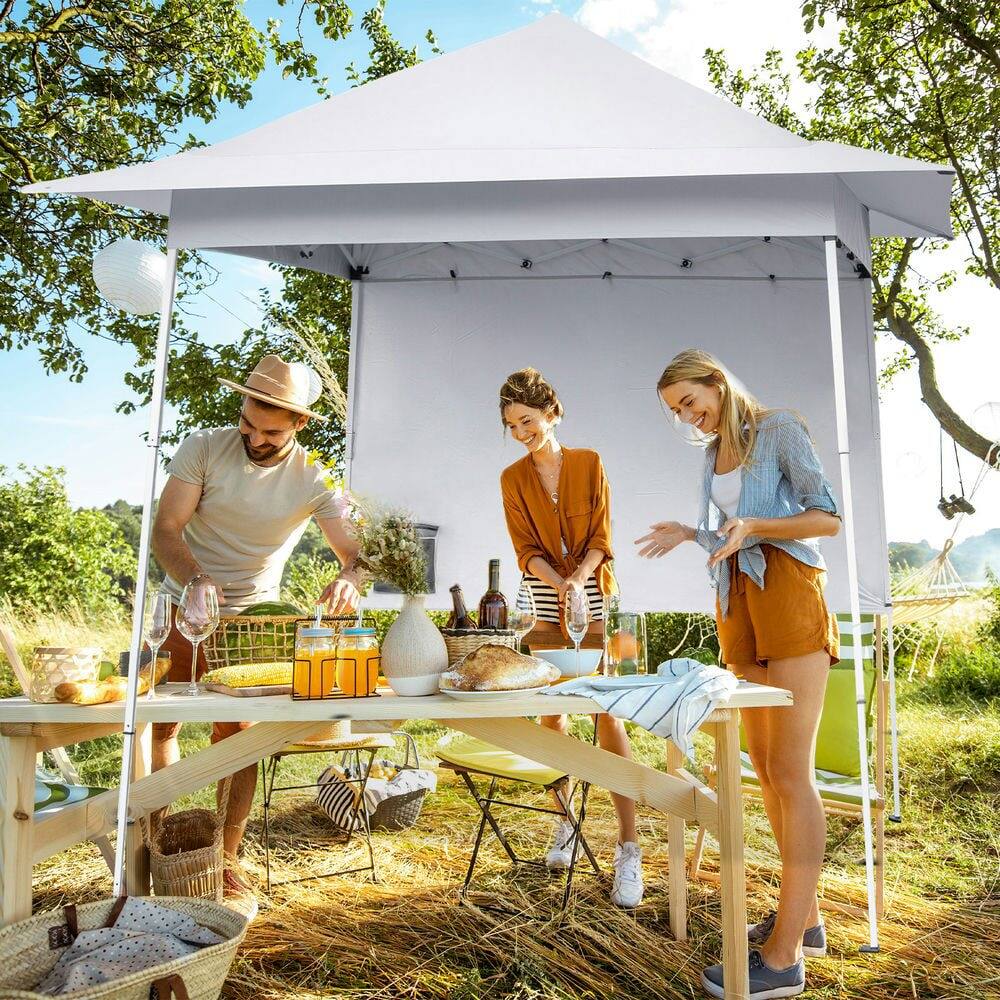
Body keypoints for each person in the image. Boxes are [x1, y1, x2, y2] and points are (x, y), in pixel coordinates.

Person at [635, 349, 841, 999]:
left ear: (717, 384)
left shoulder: (778, 429)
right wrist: (691, 534)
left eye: (691, 402)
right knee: (764, 767)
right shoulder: (709, 455)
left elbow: (825, 517)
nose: (688, 418)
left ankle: (783, 963)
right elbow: (729, 536)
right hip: (737, 603)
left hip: (788, 591)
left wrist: (752, 524)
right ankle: (803, 920)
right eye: (677, 412)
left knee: (791, 771)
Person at [152, 354, 363, 894]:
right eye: (248, 423)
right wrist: (197, 579)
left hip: (251, 621)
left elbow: (355, 554)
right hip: (183, 603)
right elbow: (167, 529)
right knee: (159, 723)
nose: (255, 437)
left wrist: (350, 578)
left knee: (237, 737)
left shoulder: (316, 475)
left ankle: (224, 860)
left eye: (271, 431)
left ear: (300, 424)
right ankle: (151, 846)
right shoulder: (203, 446)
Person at [498, 367, 644, 909]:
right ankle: (565, 823)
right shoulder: (512, 479)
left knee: (605, 711)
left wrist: (580, 582)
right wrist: (559, 586)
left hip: (597, 591)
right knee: (551, 712)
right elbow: (524, 548)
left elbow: (603, 537)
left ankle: (629, 847)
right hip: (542, 594)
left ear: (552, 414)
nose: (521, 432)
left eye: (528, 420)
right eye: (512, 424)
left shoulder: (590, 463)